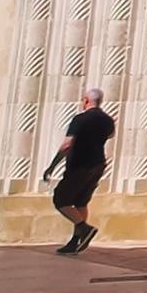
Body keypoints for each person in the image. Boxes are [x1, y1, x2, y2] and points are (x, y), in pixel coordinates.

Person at [43, 86, 114, 253]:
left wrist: (52, 166)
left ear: (86, 100)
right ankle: (76, 240)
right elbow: (111, 135)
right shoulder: (108, 120)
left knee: (61, 199)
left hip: (80, 164)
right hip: (98, 164)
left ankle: (84, 228)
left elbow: (67, 144)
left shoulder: (80, 119)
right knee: (81, 201)